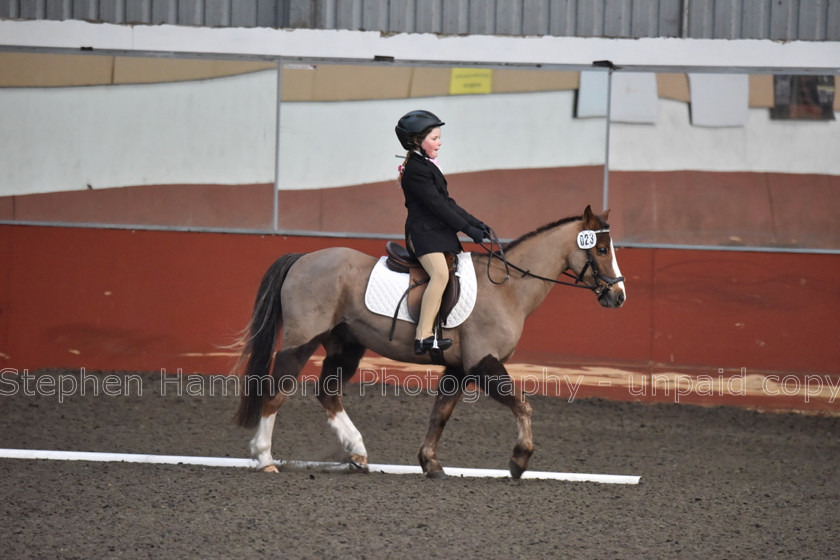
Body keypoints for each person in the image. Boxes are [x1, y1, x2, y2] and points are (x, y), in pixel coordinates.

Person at [395, 110, 490, 355]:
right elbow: (436, 206)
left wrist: (476, 224)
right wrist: (467, 229)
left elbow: (447, 202)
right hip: (423, 235)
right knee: (439, 275)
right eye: (434, 138)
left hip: (436, 233)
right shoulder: (416, 170)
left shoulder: (426, 165)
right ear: (416, 141)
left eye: (439, 137)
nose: (440, 142)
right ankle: (423, 336)